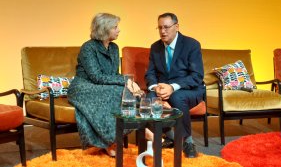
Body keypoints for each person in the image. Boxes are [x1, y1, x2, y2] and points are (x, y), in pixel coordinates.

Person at [68, 13, 141, 157]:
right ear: (104, 29)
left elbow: (114, 74)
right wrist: (126, 81)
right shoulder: (88, 48)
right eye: (115, 27)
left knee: (131, 92)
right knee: (115, 92)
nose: (118, 30)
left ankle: (120, 137)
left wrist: (130, 83)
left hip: (101, 84)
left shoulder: (114, 48)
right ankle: (109, 141)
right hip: (83, 86)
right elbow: (96, 77)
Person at [145, 12, 205, 158]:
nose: (162, 31)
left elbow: (197, 76)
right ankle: (169, 136)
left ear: (176, 26)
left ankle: (188, 141)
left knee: (177, 97)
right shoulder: (155, 47)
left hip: (189, 90)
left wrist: (173, 87)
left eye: (166, 27)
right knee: (150, 97)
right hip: (163, 88)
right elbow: (150, 73)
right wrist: (155, 87)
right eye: (159, 28)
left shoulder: (191, 45)